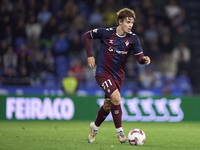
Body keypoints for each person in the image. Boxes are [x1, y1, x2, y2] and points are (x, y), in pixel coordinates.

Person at [83, 8, 151, 144]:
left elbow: (139, 58)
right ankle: (120, 132)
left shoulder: (133, 38)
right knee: (116, 98)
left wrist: (144, 59)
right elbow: (86, 36)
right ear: (120, 21)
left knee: (108, 106)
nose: (130, 25)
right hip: (103, 73)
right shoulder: (106, 33)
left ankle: (94, 127)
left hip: (118, 76)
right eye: (127, 22)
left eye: (132, 22)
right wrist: (90, 56)